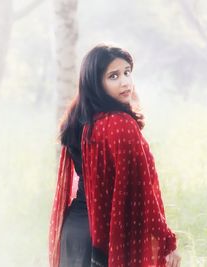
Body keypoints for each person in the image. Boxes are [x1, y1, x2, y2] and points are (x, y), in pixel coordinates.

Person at [49, 43, 181, 267]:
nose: (125, 82)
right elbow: (142, 191)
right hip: (103, 238)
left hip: (73, 233)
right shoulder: (119, 125)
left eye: (127, 72)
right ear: (95, 83)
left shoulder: (78, 121)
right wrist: (167, 241)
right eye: (113, 76)